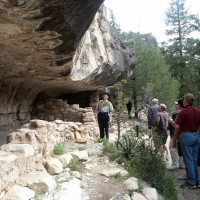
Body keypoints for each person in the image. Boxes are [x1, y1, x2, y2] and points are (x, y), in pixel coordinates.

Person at [172, 93, 200, 189]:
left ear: (185, 101)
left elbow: (177, 126)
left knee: (188, 160)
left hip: (186, 136)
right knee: (195, 160)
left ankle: (191, 182)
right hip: (196, 136)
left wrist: (170, 121)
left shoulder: (183, 112)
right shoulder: (197, 111)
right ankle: (197, 181)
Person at [168, 98, 185, 170]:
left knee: (172, 147)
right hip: (184, 134)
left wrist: (172, 133)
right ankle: (182, 164)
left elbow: (175, 126)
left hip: (176, 134)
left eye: (177, 104)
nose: (176, 105)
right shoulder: (186, 112)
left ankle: (175, 164)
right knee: (181, 149)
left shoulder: (176, 114)